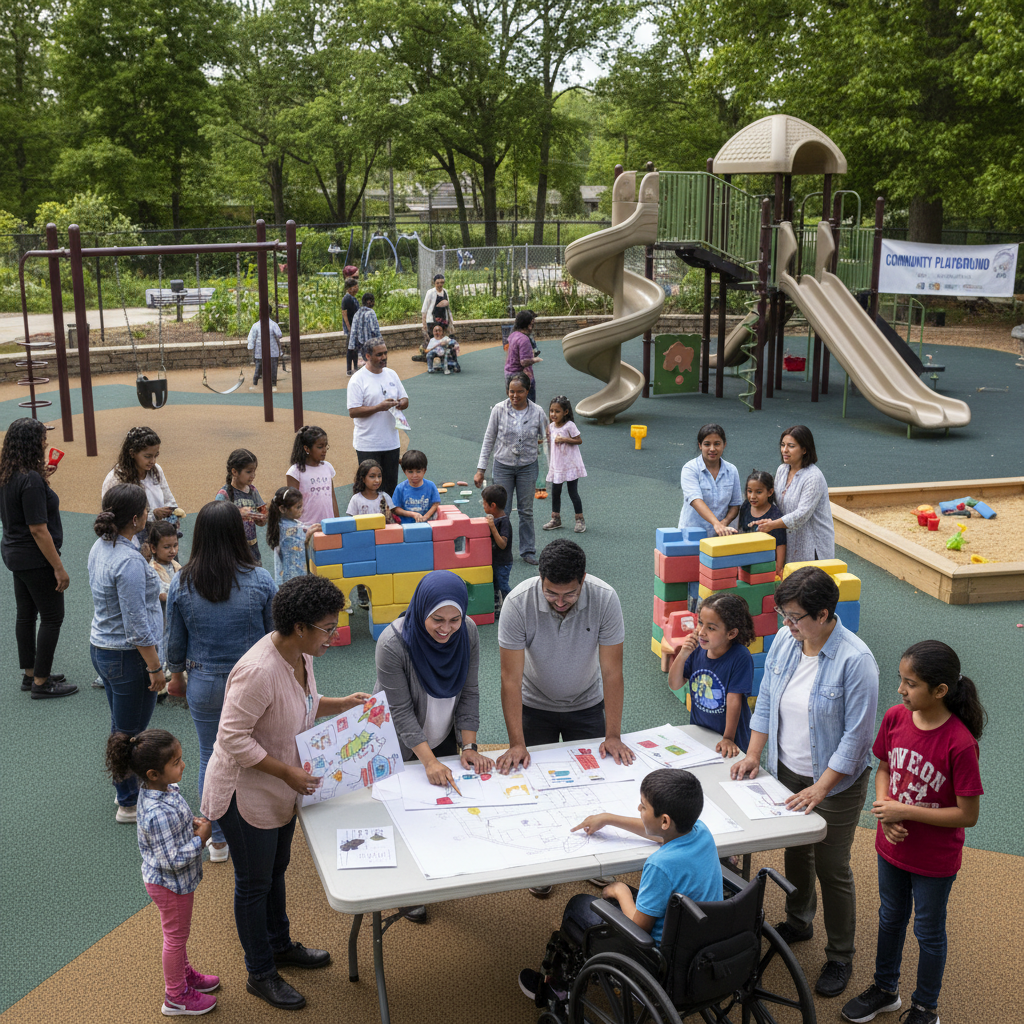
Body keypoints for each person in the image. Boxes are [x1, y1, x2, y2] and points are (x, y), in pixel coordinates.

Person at [200, 576, 370, 1011]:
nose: (333, 635)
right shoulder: (258, 670)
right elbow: (233, 739)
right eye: (328, 628)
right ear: (299, 627)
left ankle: (280, 945)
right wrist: (288, 774)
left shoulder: (301, 654)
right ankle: (260, 972)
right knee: (253, 884)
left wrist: (342, 703)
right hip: (245, 793)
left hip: (281, 785)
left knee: (276, 868)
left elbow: (304, 703)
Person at [730, 566, 879, 999]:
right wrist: (754, 754)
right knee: (796, 849)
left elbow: (856, 740)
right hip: (787, 767)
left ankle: (840, 954)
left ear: (826, 614)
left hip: (835, 780)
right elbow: (767, 701)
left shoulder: (856, 661)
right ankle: (799, 920)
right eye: (784, 615)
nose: (787, 625)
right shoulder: (785, 641)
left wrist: (821, 787)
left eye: (796, 617)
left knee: (832, 866)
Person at [841, 642, 985, 1024]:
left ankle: (925, 1007)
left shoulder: (959, 743)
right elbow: (885, 767)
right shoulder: (895, 718)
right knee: (889, 917)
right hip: (891, 848)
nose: (901, 690)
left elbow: (967, 814)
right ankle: (885, 989)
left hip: (934, 860)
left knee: (928, 930)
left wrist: (904, 810)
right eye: (900, 681)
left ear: (940, 691)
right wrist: (887, 812)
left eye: (911, 683)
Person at [518, 769, 722, 1003]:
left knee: (580, 905)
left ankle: (555, 990)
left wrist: (621, 890)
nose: (639, 809)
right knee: (616, 899)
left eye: (643, 806)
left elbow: (640, 927)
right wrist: (608, 818)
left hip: (658, 958)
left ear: (665, 820)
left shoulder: (660, 865)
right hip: (700, 942)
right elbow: (659, 834)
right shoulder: (701, 831)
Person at [372, 571, 494, 921]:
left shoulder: (467, 632)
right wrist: (427, 761)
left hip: (440, 734)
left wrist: (468, 745)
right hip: (397, 741)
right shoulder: (392, 644)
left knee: (435, 808)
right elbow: (399, 712)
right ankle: (404, 889)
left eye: (454, 619)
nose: (446, 628)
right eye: (437, 619)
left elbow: (469, 690)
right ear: (420, 608)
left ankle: (436, 871)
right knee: (400, 811)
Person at [165, 500, 277, 862]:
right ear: (237, 533)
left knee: (209, 756)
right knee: (258, 753)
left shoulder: (182, 581)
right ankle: (260, 825)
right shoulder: (259, 578)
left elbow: (175, 642)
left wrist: (177, 676)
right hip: (254, 683)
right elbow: (275, 636)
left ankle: (217, 839)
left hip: (205, 681)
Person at [105, 728, 219, 1017]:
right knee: (175, 938)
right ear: (154, 773)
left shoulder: (162, 789)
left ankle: (184, 975)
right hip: (171, 884)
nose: (183, 765)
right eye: (177, 762)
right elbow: (172, 859)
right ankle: (176, 996)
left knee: (178, 935)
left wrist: (190, 823)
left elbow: (172, 829)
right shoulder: (157, 813)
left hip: (173, 882)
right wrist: (202, 839)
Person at [497, 539, 631, 768]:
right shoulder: (517, 603)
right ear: (540, 577)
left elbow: (612, 672)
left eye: (570, 594)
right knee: (532, 776)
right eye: (550, 593)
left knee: (595, 775)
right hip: (534, 705)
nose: (559, 602)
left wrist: (613, 736)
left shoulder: (605, 598)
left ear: (583, 579)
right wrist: (517, 743)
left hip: (586, 704)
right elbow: (510, 679)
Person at [89, 483, 165, 823]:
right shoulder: (129, 561)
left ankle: (128, 792)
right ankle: (128, 800)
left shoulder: (100, 547)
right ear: (136, 518)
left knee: (121, 725)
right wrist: (154, 667)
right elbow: (136, 624)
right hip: (127, 656)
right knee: (130, 732)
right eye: (146, 511)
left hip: (103, 648)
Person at [0, 417, 76, 699]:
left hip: (14, 554)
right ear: (33, 444)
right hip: (34, 559)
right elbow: (38, 529)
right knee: (53, 616)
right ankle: (42, 683)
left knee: (26, 614)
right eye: (42, 441)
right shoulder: (30, 480)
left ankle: (30, 673)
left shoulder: (8, 473)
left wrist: (42, 478)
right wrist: (58, 567)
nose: (45, 444)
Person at [474, 373, 548, 565]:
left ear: (527, 391)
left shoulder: (538, 412)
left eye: (520, 392)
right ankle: (498, 549)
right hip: (502, 466)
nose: (515, 396)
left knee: (526, 511)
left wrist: (552, 468)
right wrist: (481, 468)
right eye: (511, 392)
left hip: (528, 467)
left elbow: (548, 439)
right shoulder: (499, 409)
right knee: (500, 510)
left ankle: (528, 550)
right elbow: (488, 439)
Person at [668, 593, 754, 757]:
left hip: (731, 739)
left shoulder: (740, 657)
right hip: (700, 732)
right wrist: (683, 654)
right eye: (700, 623)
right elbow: (675, 684)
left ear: (731, 633)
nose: (701, 632)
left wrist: (728, 738)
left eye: (711, 628)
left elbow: (734, 700)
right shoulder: (698, 650)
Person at [752, 425, 835, 563]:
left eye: (791, 446)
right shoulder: (782, 470)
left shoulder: (813, 477)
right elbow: (775, 503)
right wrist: (766, 517)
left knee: (809, 582)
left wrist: (772, 525)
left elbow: (801, 515)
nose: (785, 450)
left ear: (804, 449)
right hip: (790, 538)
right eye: (783, 445)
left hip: (813, 543)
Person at [347, 341, 410, 499]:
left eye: (385, 353)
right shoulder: (357, 379)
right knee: (369, 490)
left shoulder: (391, 374)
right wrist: (378, 407)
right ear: (367, 356)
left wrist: (400, 403)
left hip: (391, 443)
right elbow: (353, 411)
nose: (384, 357)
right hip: (368, 444)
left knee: (390, 489)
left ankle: (389, 523)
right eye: (379, 354)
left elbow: (405, 399)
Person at [102, 426, 179, 541]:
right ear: (132, 453)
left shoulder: (156, 470)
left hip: (159, 534)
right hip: (132, 538)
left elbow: (168, 498)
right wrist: (153, 515)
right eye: (147, 456)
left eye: (155, 455)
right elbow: (116, 517)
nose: (153, 461)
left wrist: (173, 512)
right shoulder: (116, 480)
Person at [678, 422, 741, 538]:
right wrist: (716, 524)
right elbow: (695, 500)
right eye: (707, 444)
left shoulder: (732, 470)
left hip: (721, 536)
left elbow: (735, 505)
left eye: (717, 444)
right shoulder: (690, 469)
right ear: (700, 445)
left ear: (724, 445)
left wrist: (723, 523)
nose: (712, 449)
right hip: (692, 535)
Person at [215, 447, 267, 565]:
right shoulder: (224, 494)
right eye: (248, 472)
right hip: (231, 550)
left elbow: (263, 516)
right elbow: (215, 518)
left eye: (254, 471)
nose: (253, 475)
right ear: (234, 472)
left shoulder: (253, 491)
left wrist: (262, 517)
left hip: (252, 549)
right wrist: (237, 513)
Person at [542, 395, 586, 534]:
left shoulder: (570, 426)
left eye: (557, 411)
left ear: (565, 412)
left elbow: (579, 440)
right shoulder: (550, 427)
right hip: (558, 465)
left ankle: (579, 519)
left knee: (573, 492)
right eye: (551, 411)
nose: (553, 414)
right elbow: (547, 440)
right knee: (556, 492)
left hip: (570, 464)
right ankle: (556, 519)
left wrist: (565, 439)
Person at [149, 520, 182, 701]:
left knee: (173, 641)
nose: (172, 551)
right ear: (153, 548)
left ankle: (172, 672)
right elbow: (161, 595)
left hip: (173, 615)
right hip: (160, 616)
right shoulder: (152, 569)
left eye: (175, 545)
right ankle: (159, 684)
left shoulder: (176, 565)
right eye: (167, 547)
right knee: (161, 644)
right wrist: (181, 595)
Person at [286, 425, 339, 526]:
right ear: (307, 448)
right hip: (306, 526)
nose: (324, 450)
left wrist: (337, 521)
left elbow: (332, 497)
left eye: (326, 446)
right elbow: (292, 504)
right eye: (320, 447)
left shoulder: (327, 467)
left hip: (328, 524)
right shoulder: (295, 472)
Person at [738, 469, 787, 577]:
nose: (752, 496)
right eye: (749, 491)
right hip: (746, 563)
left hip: (766, 566)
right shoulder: (745, 507)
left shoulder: (775, 516)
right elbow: (741, 530)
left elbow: (780, 544)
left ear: (770, 492)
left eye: (758, 492)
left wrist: (778, 568)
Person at [267, 487, 318, 586]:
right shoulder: (289, 531)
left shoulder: (280, 524)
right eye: (298, 507)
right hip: (295, 580)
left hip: (287, 580)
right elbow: (299, 544)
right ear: (282, 509)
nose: (301, 510)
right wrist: (307, 536)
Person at [482, 483, 512, 613]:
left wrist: (493, 528)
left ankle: (512, 606)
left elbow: (502, 544)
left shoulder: (504, 522)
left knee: (503, 586)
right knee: (494, 585)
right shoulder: (494, 519)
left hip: (503, 563)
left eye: (484, 503)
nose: (483, 506)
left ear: (492, 505)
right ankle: (497, 608)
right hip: (494, 561)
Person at [392, 449, 440, 522]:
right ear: (404, 471)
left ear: (424, 471)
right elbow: (396, 509)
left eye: (418, 471)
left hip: (427, 525)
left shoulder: (431, 486)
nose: (415, 475)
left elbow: (436, 504)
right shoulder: (400, 488)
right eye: (410, 472)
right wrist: (412, 514)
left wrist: (425, 517)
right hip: (406, 527)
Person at [504, 310, 541, 404]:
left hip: (509, 373)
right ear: (528, 324)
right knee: (528, 405)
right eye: (531, 323)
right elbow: (524, 362)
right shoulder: (524, 339)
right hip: (520, 376)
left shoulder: (513, 335)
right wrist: (534, 360)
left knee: (515, 404)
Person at [347, 292, 382, 376]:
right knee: (372, 365)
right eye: (372, 301)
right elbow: (375, 329)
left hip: (359, 345)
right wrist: (380, 342)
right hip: (370, 344)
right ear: (369, 302)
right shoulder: (371, 313)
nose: (373, 303)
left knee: (362, 365)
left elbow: (353, 331)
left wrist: (351, 346)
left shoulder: (357, 314)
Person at [247, 316, 283, 391]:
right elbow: (251, 337)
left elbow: (279, 334)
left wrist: (251, 346)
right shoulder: (271, 324)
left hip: (269, 350)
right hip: (262, 351)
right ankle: (256, 384)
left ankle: (271, 385)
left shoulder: (271, 324)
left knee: (265, 368)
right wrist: (251, 345)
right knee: (260, 368)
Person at [420, 272, 455, 345]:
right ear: (434, 283)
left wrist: (450, 321)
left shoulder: (445, 292)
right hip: (432, 321)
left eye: (442, 282)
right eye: (438, 283)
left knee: (443, 340)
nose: (440, 285)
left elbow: (447, 308)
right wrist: (424, 324)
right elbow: (424, 309)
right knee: (433, 340)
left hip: (443, 320)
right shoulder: (430, 292)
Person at [341, 277, 360, 343]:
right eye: (355, 287)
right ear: (350, 288)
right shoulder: (347, 299)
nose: (357, 289)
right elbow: (344, 314)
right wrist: (349, 329)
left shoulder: (353, 298)